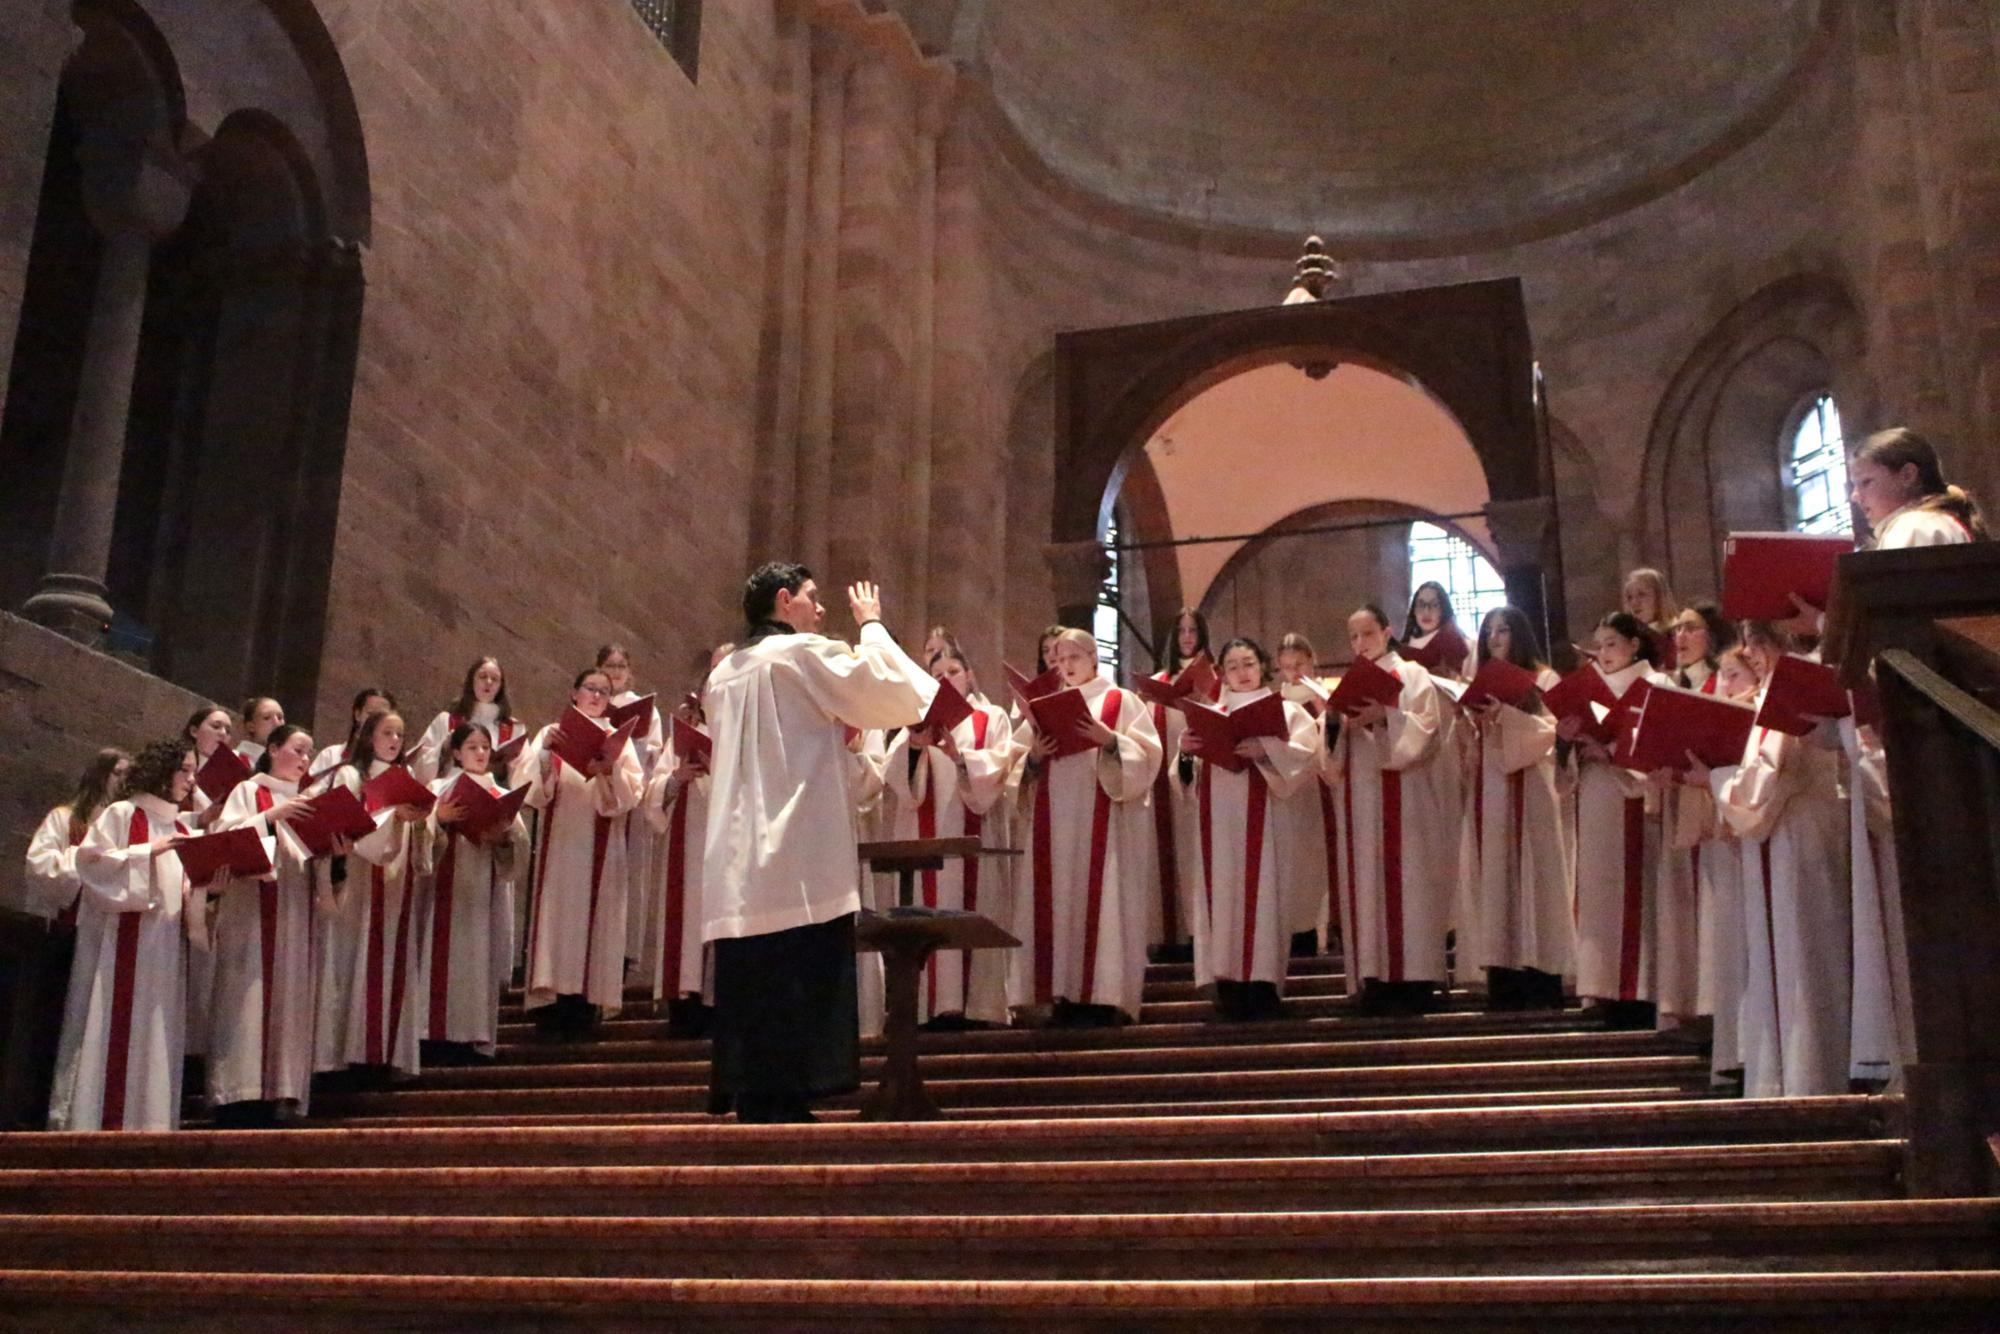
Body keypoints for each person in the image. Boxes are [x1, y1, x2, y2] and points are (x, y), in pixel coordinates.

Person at [702, 565, 936, 1123]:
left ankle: (756, 1095)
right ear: (785, 602)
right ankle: (794, 1094)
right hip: (798, 847)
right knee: (799, 971)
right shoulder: (803, 654)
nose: (821, 609)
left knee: (754, 977)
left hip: (738, 859)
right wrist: (874, 627)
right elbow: (903, 697)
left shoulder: (722, 677)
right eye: (812, 598)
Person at [1699, 622, 1851, 1097]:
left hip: (1793, 837)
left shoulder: (1785, 689)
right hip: (1805, 831)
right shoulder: (1793, 686)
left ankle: (1809, 1080)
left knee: (1802, 959)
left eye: (1755, 639)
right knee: (1809, 955)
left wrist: (1710, 779)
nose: (1748, 650)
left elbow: (1764, 783)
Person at [1011, 627, 1162, 1027]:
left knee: (1101, 901)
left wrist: (1110, 740)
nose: (1066, 665)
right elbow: (1015, 768)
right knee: (1058, 899)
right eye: (1058, 659)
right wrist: (1034, 758)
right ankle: (1060, 993)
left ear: (1094, 657)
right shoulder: (1042, 707)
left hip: (1102, 828)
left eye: (1074, 656)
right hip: (1053, 825)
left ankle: (1102, 996)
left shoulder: (1120, 701)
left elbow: (1148, 758)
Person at [47, 738, 196, 1131]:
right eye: (185, 770)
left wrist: (206, 888)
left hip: (164, 947)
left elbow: (184, 890)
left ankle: (150, 1126)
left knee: (157, 1036)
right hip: (124, 944)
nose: (191, 780)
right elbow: (91, 863)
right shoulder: (123, 814)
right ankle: (100, 1123)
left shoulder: (182, 825)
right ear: (163, 771)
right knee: (116, 1030)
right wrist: (147, 852)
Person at [880, 648, 1022, 1027]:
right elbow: (897, 780)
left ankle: (978, 1008)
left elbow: (998, 773)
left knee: (973, 907)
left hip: (971, 835)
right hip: (928, 838)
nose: (946, 678)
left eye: (954, 671)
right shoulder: (917, 720)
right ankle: (933, 1008)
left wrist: (962, 759)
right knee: (930, 911)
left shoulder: (989, 718)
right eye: (937, 672)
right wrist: (914, 746)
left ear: (970, 675)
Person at [1180, 637, 1319, 1020]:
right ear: (1222, 673)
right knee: (1221, 896)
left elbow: (1308, 756)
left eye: (1249, 663)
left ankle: (1263, 986)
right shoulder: (1212, 712)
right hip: (1218, 822)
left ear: (1263, 667)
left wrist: (1268, 749)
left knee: (1264, 897)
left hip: (1267, 820)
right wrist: (1186, 750)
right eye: (1234, 666)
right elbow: (1187, 781)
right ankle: (1227, 986)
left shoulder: (1288, 711)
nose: (1242, 672)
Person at [1325, 605, 1453, 1014]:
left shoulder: (1413, 675)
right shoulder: (1347, 680)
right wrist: (1332, 723)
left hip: (1407, 800)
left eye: (1367, 634)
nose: (1361, 643)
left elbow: (1427, 732)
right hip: (1361, 800)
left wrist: (1387, 717)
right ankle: (1373, 979)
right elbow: (1330, 760)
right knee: (1366, 885)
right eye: (1354, 637)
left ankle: (1414, 981)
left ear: (1387, 631)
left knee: (1409, 884)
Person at [1559, 612, 1676, 1028]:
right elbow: (1569, 762)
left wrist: (1608, 750)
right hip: (1595, 796)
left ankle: (1640, 992)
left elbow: (1661, 747)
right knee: (1597, 894)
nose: (1604, 653)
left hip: (1637, 800)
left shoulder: (1657, 686)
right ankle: (1603, 989)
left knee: (1640, 893)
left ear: (1634, 645)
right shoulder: (1590, 686)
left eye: (1612, 644)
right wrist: (1571, 740)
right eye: (1600, 645)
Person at [518, 667, 645, 1034]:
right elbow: (530, 792)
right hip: (561, 846)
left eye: (603, 692)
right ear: (574, 693)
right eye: (590, 689)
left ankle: (584, 1009)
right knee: (557, 922)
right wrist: (544, 755)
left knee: (595, 923)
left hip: (601, 854)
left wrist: (607, 771)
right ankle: (550, 1007)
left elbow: (631, 794)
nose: (596, 696)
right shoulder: (551, 733)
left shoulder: (615, 741)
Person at [209, 724, 324, 1126]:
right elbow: (222, 837)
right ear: (273, 749)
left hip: (294, 911)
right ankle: (238, 1093)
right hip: (250, 911)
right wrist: (271, 816)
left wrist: (337, 849)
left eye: (309, 753)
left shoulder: (312, 800)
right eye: (298, 750)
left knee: (289, 997)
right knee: (246, 996)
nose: (305, 760)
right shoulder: (248, 791)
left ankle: (283, 1091)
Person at [1462, 607, 1573, 1011]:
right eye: (1489, 631)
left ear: (1519, 634)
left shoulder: (1544, 679)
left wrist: (1507, 715)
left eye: (1503, 630)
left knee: (1536, 879)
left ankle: (1542, 978)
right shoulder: (1478, 680)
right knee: (1497, 881)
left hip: (1534, 791)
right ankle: (1503, 978)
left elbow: (1551, 731)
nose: (1494, 638)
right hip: (1492, 791)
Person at [327, 709, 431, 1080]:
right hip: (356, 881)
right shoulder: (350, 775)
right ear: (370, 736)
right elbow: (345, 823)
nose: (394, 741)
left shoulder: (405, 778)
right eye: (387, 733)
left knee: (390, 960)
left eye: (400, 736)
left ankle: (385, 1053)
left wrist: (418, 822)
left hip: (396, 884)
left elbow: (421, 837)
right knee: (352, 961)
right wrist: (393, 815)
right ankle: (344, 1057)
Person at [416, 722, 528, 1063]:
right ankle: (431, 1037)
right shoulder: (439, 787)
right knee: (439, 957)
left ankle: (471, 1038)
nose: (480, 753)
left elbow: (520, 844)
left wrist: (504, 839)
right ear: (456, 752)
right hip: (443, 892)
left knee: (477, 961)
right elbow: (419, 832)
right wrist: (439, 818)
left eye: (485, 747)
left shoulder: (498, 791)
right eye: (472, 747)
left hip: (482, 893)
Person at [1139, 607, 1210, 962]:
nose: (1186, 637)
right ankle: (1169, 937)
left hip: (1201, 790)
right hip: (1164, 789)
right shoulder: (1159, 682)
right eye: (1181, 630)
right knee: (1166, 860)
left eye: (1193, 630)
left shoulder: (1215, 681)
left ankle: (1201, 936)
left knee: (1197, 859)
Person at [1274, 632, 1335, 957]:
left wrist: (1327, 712)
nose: (1294, 673)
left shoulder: (1325, 695)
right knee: (1299, 870)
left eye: (1299, 665)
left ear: (1312, 662)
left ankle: (1328, 932)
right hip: (1290, 796)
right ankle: (1299, 935)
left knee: (1323, 866)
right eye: (1286, 667)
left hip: (1323, 787)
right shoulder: (1277, 703)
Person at [22, 748, 129, 921]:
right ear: (99, 776)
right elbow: (39, 865)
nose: (123, 782)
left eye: (128, 776)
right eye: (117, 774)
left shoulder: (123, 828)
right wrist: (86, 862)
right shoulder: (63, 818)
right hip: (59, 920)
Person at [1850, 426, 1986, 547]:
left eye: (1866, 482)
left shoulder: (1913, 527)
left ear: (1907, 475)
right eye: (1854, 485)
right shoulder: (1931, 523)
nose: (1855, 496)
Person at [409, 658, 526, 786]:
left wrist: (507, 768)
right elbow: (418, 768)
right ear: (472, 681)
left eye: (495, 679)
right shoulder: (447, 721)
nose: (488, 682)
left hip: (492, 795)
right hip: (449, 793)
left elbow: (525, 777)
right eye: (482, 676)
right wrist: (443, 748)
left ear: (500, 686)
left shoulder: (514, 729)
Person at [1402, 581, 1470, 681]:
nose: (1426, 611)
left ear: (1443, 610)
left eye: (1434, 605)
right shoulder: (1405, 643)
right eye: (1421, 604)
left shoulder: (1453, 642)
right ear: (1414, 610)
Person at [1669, 602, 1735, 693]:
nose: (1680, 636)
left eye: (1691, 628)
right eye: (1678, 629)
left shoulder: (1726, 683)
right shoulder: (1673, 684)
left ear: (1712, 636)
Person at [237, 697, 285, 767]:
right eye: (267, 717)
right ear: (251, 726)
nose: (276, 723)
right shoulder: (232, 759)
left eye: (280, 717)